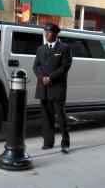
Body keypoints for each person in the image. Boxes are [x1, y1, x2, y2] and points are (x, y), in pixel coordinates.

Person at [33, 23, 73, 154]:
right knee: (46, 117)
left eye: (49, 32)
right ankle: (48, 142)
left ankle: (65, 143)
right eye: (46, 31)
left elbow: (65, 67)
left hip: (57, 88)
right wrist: (42, 77)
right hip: (43, 88)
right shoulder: (40, 49)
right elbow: (36, 66)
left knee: (61, 117)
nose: (47, 34)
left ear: (56, 33)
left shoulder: (64, 48)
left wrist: (50, 78)